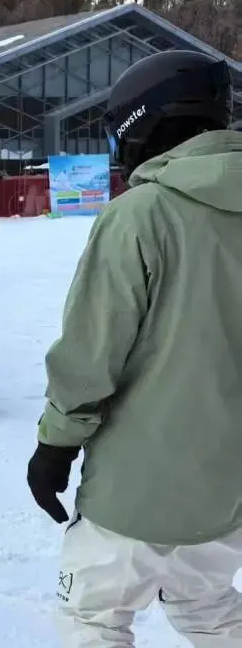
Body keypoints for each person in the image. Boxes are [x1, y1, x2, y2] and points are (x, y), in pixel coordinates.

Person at [27, 49, 242, 646]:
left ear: (140, 124)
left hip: (134, 491)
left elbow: (91, 354)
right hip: (224, 490)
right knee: (207, 606)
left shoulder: (142, 214)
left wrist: (55, 444)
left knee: (91, 619)